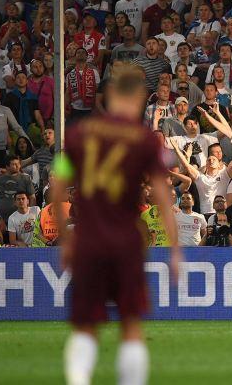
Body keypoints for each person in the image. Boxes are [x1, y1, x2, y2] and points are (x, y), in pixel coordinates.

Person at [53, 63, 180, 385]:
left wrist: (67, 240)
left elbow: (57, 183)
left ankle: (78, 380)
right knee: (130, 324)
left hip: (88, 241)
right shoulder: (144, 140)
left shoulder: (79, 134)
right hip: (126, 242)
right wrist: (176, 249)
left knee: (85, 326)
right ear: (140, 96)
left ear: (109, 94)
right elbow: (163, 196)